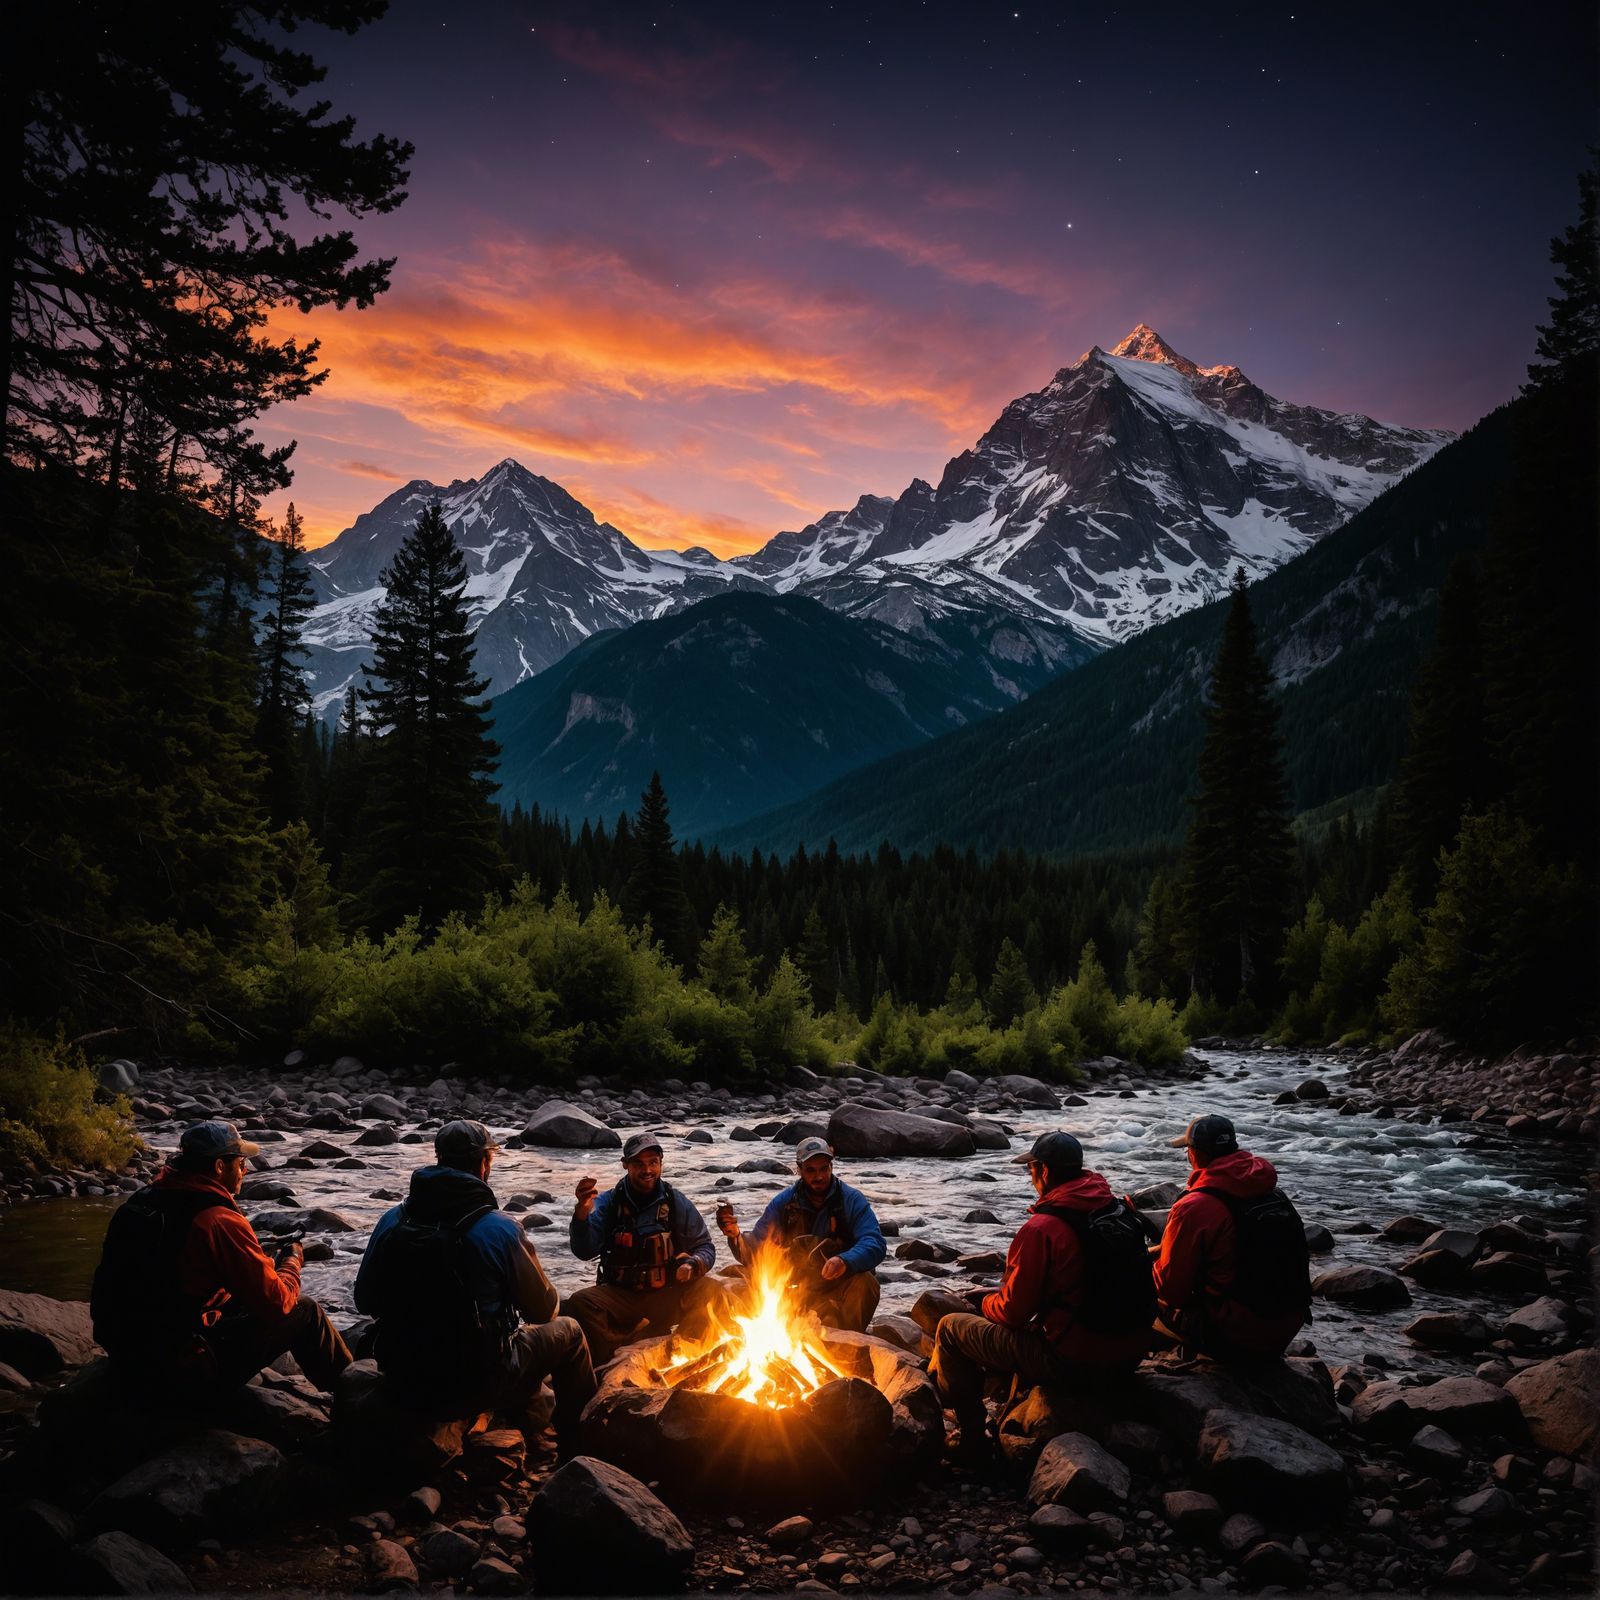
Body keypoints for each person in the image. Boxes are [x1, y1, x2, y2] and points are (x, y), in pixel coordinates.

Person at [355, 1119, 596, 1456]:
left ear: (438, 1158)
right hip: (474, 1385)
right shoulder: (498, 1228)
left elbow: (364, 1299)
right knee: (569, 1331)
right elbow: (543, 1311)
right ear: (485, 1163)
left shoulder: (394, 1219)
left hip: (404, 1378)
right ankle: (581, 1447)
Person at [928, 1131, 1152, 1465]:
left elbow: (1013, 1314)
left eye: (1031, 1169)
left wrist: (983, 1303)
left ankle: (972, 1439)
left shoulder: (1042, 1228)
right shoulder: (1116, 1210)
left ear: (1044, 1171)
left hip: (1074, 1363)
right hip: (1131, 1353)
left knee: (949, 1327)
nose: (1031, 1177)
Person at [90, 1119, 351, 1395]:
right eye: (240, 1164)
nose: (246, 1170)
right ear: (218, 1167)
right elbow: (278, 1304)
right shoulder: (216, 1219)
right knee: (306, 1311)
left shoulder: (143, 1200)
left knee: (238, 1298)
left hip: (129, 1355)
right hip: (179, 1373)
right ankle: (353, 1393)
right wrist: (293, 1260)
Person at [1152, 1114, 1311, 1362]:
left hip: (1238, 1337)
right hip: (1287, 1327)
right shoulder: (1271, 1192)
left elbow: (1172, 1292)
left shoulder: (1195, 1206)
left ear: (1196, 1154)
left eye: (1188, 1150)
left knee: (1131, 1283)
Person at [566, 1131, 721, 1365]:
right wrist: (581, 1215)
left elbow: (705, 1247)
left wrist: (692, 1264)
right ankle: (614, 1354)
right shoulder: (608, 1203)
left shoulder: (675, 1201)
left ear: (661, 1164)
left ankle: (685, 1352)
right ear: (625, 1165)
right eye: (638, 1164)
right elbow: (584, 1251)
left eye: (653, 1163)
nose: (647, 1170)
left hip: (665, 1293)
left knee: (710, 1289)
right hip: (622, 1296)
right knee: (580, 1302)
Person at [714, 1136, 887, 1331]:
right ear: (799, 1170)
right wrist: (735, 1236)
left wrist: (845, 1260)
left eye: (823, 1168)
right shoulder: (783, 1203)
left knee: (866, 1283)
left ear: (831, 1166)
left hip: (841, 1285)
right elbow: (757, 1250)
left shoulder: (851, 1200)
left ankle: (850, 1345)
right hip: (799, 1290)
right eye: (810, 1170)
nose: (819, 1176)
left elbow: (875, 1243)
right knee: (746, 1283)